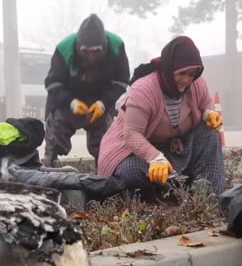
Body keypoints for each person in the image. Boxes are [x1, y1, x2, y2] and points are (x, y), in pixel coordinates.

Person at [97, 36, 225, 199]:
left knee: (210, 133)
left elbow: (206, 103)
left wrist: (209, 113)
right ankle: (160, 197)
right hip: (135, 152)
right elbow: (132, 135)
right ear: (168, 69)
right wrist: (155, 158)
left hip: (173, 149)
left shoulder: (196, 83)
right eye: (181, 73)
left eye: (192, 74)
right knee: (131, 172)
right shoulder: (144, 91)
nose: (186, 80)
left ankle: (209, 196)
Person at [43, 13, 130, 167]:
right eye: (86, 51)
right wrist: (71, 102)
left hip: (101, 101)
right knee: (56, 129)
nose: (91, 56)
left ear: (104, 46)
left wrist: (104, 103)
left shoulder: (116, 46)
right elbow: (53, 83)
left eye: (96, 51)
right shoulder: (64, 49)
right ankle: (49, 164)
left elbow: (121, 81)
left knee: (106, 140)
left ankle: (105, 170)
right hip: (68, 100)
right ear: (78, 46)